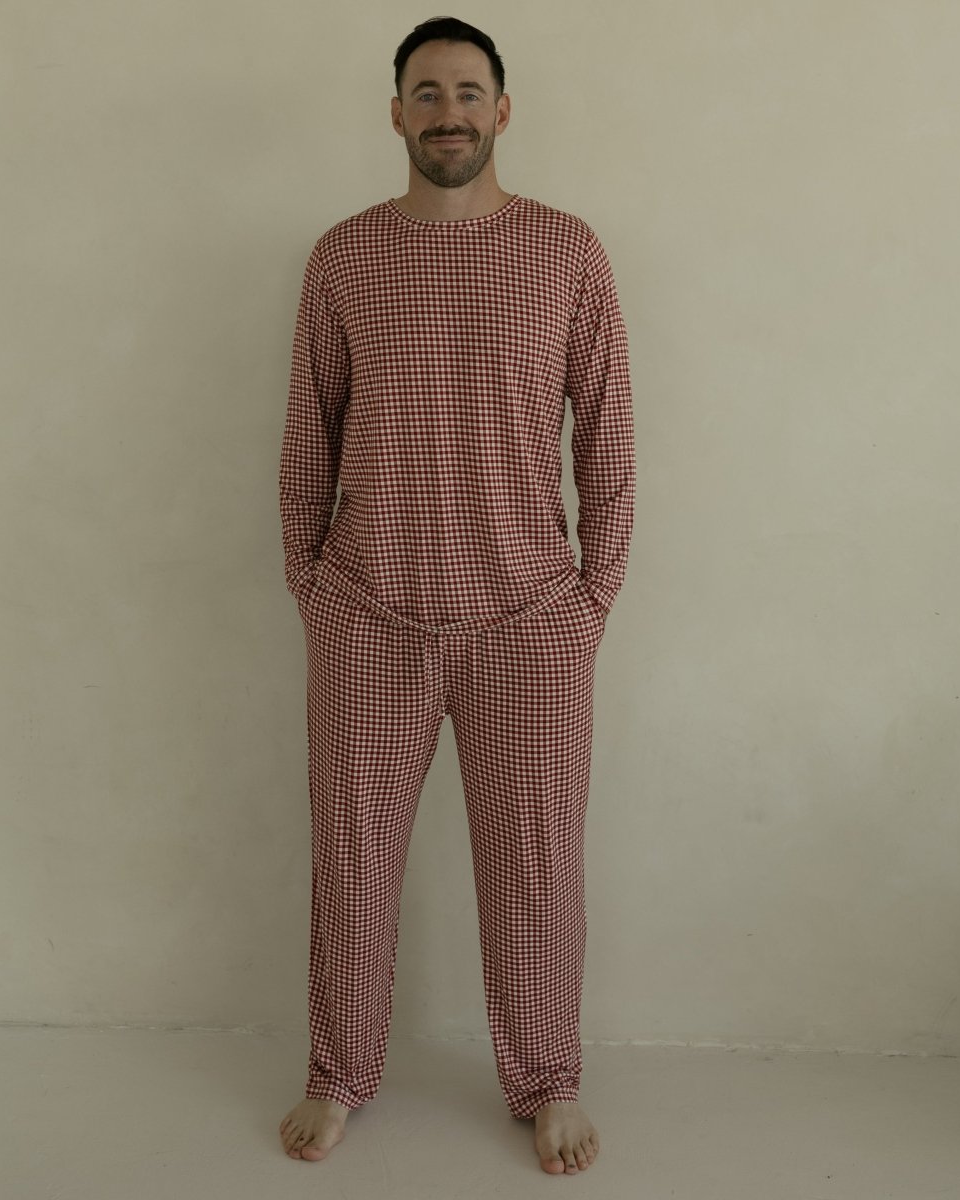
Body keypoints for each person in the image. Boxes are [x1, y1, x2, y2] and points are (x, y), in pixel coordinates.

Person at [277, 16, 635, 1176]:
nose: (448, 111)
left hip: (531, 622)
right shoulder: (342, 258)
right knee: (352, 858)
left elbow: (613, 442)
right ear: (394, 113)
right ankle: (339, 1075)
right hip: (368, 616)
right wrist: (315, 588)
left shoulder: (567, 253)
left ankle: (547, 1080)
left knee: (536, 868)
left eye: (468, 91)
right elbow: (305, 446)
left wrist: (593, 600)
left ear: (503, 110)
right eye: (425, 92)